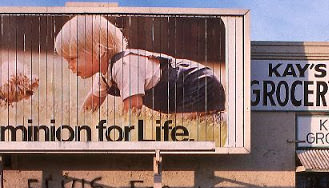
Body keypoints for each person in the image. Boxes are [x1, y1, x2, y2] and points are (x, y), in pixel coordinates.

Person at [54, 15, 226, 115]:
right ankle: (213, 115)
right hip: (182, 92)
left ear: (98, 50)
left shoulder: (124, 66)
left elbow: (133, 106)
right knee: (176, 123)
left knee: (179, 127)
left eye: (73, 59)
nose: (69, 65)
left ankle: (218, 117)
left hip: (197, 83)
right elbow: (91, 105)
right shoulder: (104, 75)